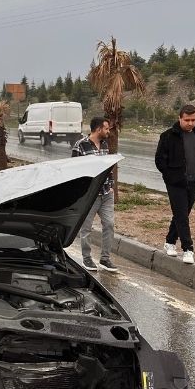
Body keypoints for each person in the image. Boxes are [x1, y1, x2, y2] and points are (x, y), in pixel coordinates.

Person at [154, 104, 195, 265]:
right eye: (187, 120)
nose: (190, 123)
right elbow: (159, 160)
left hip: (193, 182)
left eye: (193, 120)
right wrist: (170, 175)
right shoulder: (168, 136)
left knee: (182, 214)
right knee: (182, 216)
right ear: (180, 118)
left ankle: (170, 241)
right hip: (175, 183)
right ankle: (188, 249)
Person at [72, 117, 117, 272]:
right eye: (106, 129)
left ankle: (105, 259)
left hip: (106, 193)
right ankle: (87, 258)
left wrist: (111, 186)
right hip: (89, 195)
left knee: (109, 225)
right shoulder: (80, 145)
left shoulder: (104, 144)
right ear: (98, 129)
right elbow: (73, 170)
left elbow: (108, 167)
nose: (108, 131)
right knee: (86, 228)